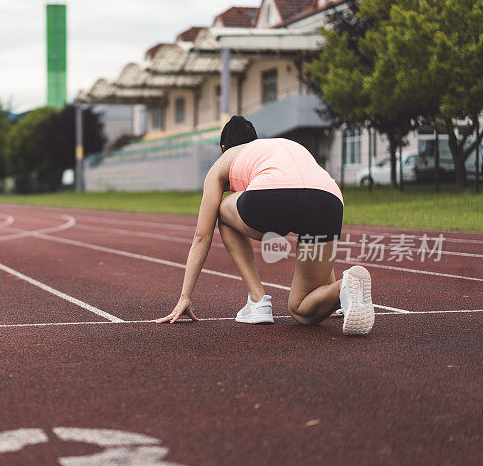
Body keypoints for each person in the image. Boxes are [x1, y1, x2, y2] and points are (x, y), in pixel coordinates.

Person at [154, 115, 374, 335]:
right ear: (254, 139)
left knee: (221, 210)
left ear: (224, 146)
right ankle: (344, 288)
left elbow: (202, 237)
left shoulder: (224, 161)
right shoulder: (281, 147)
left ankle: (258, 302)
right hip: (329, 200)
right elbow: (305, 189)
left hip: (272, 197)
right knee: (305, 307)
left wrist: (185, 296)